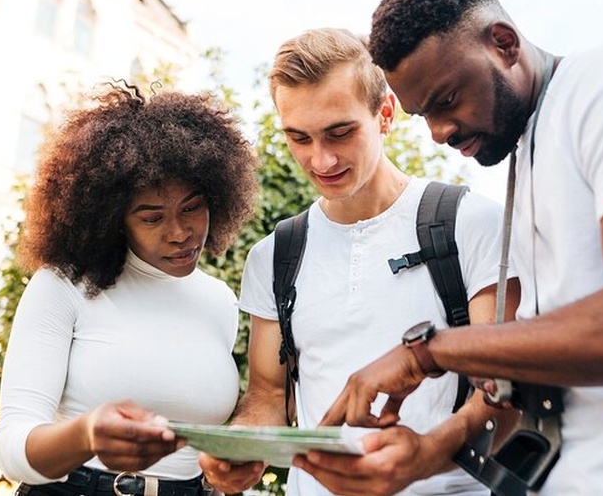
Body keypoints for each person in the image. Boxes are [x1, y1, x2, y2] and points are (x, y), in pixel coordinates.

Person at [295, 0, 603, 495]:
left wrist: (428, 352)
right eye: (424, 114)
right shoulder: (526, 156)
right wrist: (427, 453)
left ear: (504, 42)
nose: (438, 131)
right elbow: (539, 375)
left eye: (447, 99)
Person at [198, 28, 519, 495]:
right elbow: (268, 395)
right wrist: (245, 444)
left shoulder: (470, 224)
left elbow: (508, 387)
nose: (320, 159)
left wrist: (426, 455)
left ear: (385, 113)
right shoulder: (274, 256)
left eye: (339, 132)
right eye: (299, 137)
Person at [0, 83, 259, 495]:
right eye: (152, 218)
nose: (180, 233)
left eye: (192, 208)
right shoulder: (63, 286)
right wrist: (85, 436)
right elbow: (12, 450)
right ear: (112, 218)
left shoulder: (221, 301)